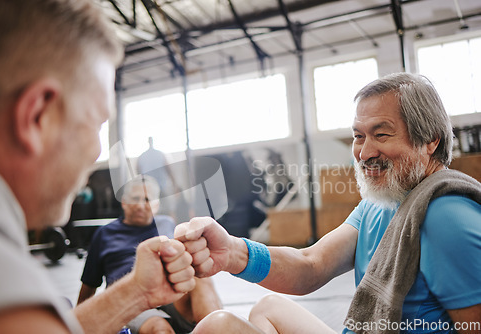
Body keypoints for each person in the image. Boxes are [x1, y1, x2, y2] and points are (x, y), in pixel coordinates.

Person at [175, 73, 481, 334]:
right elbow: (311, 265)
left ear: (430, 140)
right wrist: (231, 252)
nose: (364, 152)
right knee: (267, 308)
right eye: (359, 136)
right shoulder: (381, 203)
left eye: (382, 134)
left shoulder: (446, 217)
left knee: (218, 327)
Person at [0, 1, 196, 333]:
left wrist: (137, 291)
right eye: (97, 124)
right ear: (39, 117)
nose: (97, 150)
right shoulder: (3, 287)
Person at [77, 177, 222, 334]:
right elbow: (89, 284)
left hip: (170, 292)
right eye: (135, 199)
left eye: (146, 199)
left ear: (156, 205)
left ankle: (216, 327)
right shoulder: (104, 234)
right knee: (159, 328)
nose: (140, 205)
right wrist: (76, 326)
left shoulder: (167, 224)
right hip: (133, 300)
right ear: (124, 202)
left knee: (201, 280)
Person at [137, 137, 181, 217]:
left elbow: (138, 172)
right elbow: (169, 170)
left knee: (157, 211)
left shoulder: (142, 157)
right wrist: (175, 185)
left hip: (152, 189)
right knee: (168, 211)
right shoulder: (160, 154)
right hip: (158, 188)